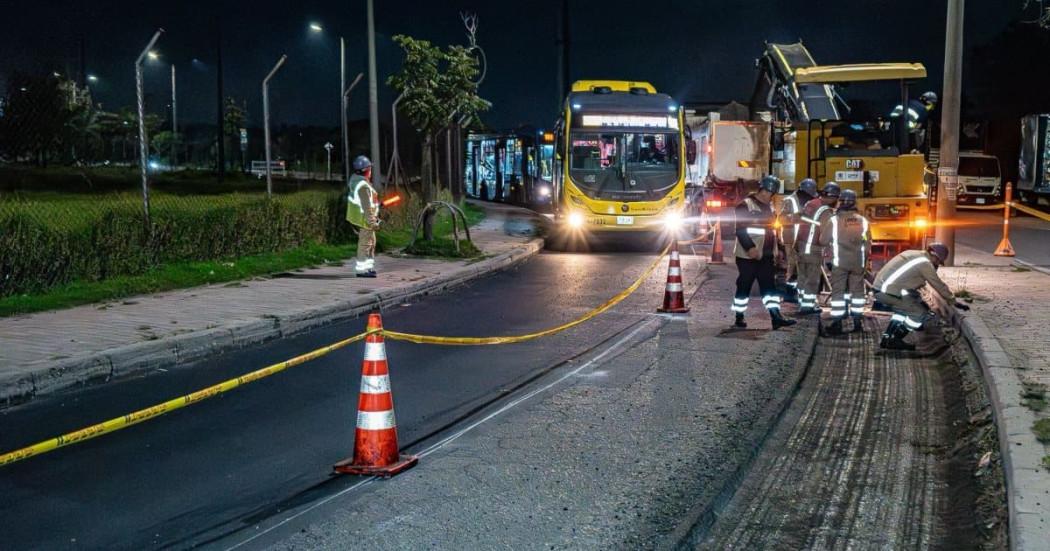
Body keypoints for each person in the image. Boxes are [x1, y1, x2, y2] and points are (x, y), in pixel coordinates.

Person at [872, 242, 969, 350]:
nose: (937, 264)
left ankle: (887, 338)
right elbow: (937, 283)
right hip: (888, 292)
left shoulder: (914, 254)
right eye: (938, 262)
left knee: (905, 309)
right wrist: (953, 301)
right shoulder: (925, 264)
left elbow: (909, 280)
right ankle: (894, 340)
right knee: (919, 314)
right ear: (934, 256)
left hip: (883, 288)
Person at [731, 175, 798, 330]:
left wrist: (778, 249)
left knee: (769, 286)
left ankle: (776, 317)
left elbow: (773, 230)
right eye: (769, 192)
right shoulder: (745, 205)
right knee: (744, 285)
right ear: (763, 190)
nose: (770, 196)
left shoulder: (770, 207)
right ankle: (739, 316)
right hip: (747, 256)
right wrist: (750, 248)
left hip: (766, 255)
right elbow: (740, 230)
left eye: (772, 193)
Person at [819, 189, 871, 335]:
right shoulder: (863, 221)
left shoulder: (834, 221)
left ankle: (837, 323)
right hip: (858, 262)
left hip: (840, 262)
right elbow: (867, 244)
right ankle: (857, 322)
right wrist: (863, 259)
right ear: (855, 202)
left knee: (838, 293)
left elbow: (823, 241)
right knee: (858, 291)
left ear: (840, 202)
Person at [794, 182, 841, 314]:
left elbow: (799, 218)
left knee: (802, 277)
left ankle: (802, 302)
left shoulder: (811, 203)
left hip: (801, 245)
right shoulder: (825, 210)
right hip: (812, 247)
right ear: (832, 197)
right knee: (812, 279)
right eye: (837, 199)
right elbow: (825, 234)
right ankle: (807, 307)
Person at [779, 178, 818, 302]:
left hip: (805, 240)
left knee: (803, 266)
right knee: (793, 265)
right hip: (791, 239)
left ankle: (801, 291)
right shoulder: (789, 201)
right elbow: (781, 219)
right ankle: (789, 294)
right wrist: (796, 217)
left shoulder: (811, 202)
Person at [346, 155, 380, 278]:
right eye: (370, 169)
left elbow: (369, 204)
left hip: (365, 219)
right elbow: (366, 207)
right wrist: (373, 222)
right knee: (365, 244)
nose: (371, 171)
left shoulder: (358, 182)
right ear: (366, 170)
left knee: (371, 243)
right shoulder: (363, 186)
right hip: (365, 220)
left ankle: (368, 267)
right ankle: (361, 270)